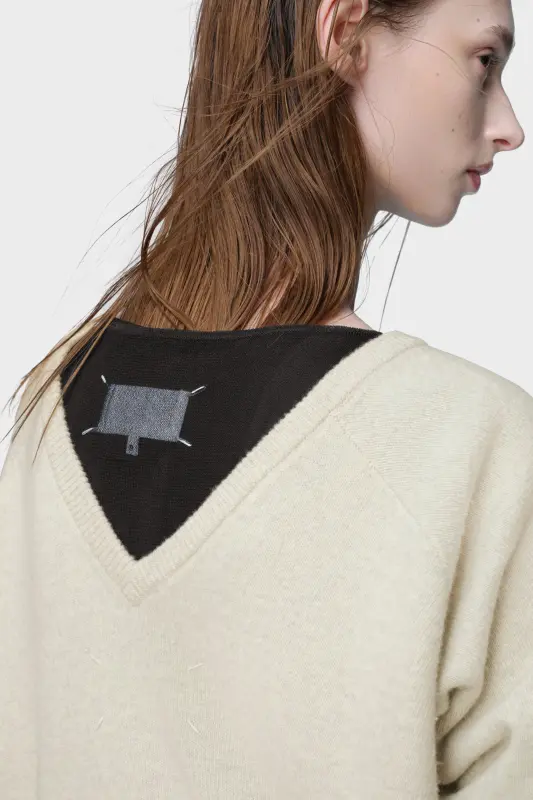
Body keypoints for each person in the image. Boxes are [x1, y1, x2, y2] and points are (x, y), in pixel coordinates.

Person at [0, 0, 530, 797]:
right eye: (483, 62)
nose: (509, 126)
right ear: (344, 34)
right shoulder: (475, 445)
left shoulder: (50, 411)